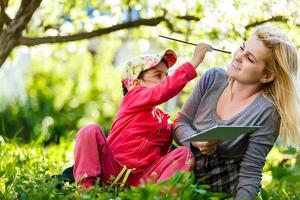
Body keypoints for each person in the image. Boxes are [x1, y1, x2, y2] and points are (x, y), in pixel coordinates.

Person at [173, 24, 300, 200]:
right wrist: (195, 139)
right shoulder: (212, 78)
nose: (238, 56)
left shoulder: (266, 111)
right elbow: (179, 124)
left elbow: (251, 172)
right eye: (242, 47)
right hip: (178, 175)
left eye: (249, 58)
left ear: (266, 76)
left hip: (219, 189)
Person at [73, 43, 213, 188]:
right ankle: (86, 189)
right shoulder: (133, 97)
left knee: (183, 154)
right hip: (111, 170)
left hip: (142, 179)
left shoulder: (165, 122)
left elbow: (175, 137)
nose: (165, 80)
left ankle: (156, 196)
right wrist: (194, 62)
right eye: (158, 75)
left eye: (166, 75)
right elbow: (163, 91)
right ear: (135, 83)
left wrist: (199, 139)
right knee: (90, 130)